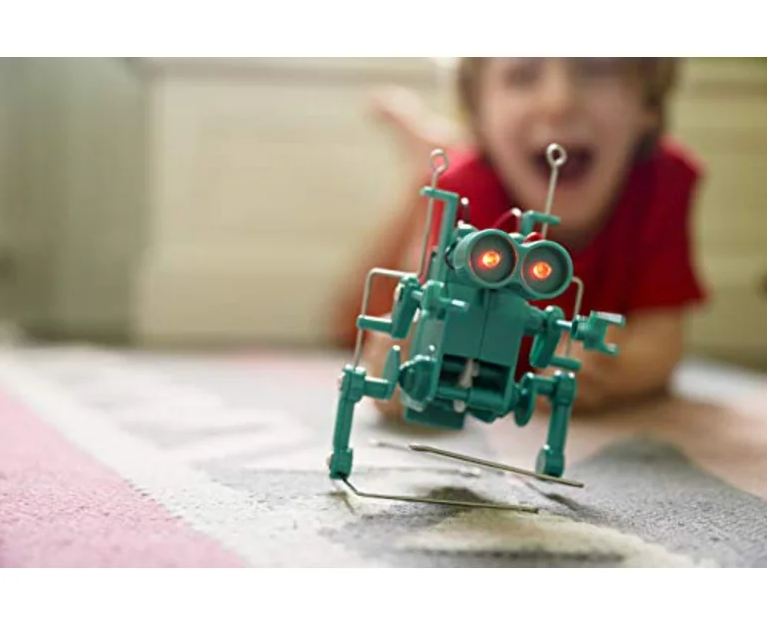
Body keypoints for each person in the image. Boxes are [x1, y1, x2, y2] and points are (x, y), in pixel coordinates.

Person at [329, 57, 708, 418]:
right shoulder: (464, 191)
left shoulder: (663, 182)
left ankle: (440, 147)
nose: (559, 102)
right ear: (479, 117)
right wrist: (403, 364)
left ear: (649, 106)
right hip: (461, 178)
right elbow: (412, 325)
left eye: (598, 69)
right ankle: (427, 160)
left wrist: (614, 371)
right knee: (349, 320)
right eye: (522, 76)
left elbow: (661, 344)